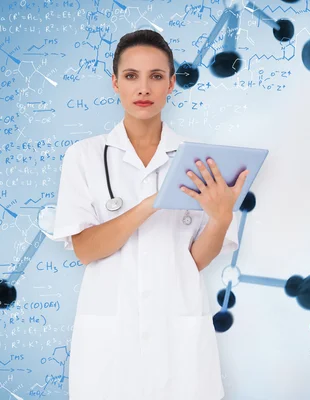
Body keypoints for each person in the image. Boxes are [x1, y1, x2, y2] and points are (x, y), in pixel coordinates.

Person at [52, 30, 247, 400]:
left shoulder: (199, 162)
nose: (144, 88)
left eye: (156, 76)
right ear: (115, 83)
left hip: (180, 344)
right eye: (131, 76)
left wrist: (221, 218)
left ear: (172, 83)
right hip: (109, 347)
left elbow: (194, 261)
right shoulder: (84, 156)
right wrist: (150, 203)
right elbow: (85, 249)